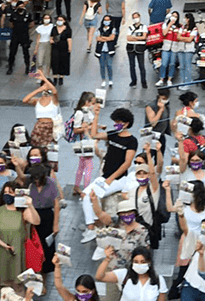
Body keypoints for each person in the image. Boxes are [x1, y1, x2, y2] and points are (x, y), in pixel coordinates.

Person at [80, 106, 138, 242]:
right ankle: (95, 224)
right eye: (115, 122)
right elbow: (94, 134)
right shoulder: (112, 134)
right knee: (85, 195)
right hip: (105, 177)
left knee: (89, 196)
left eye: (118, 122)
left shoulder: (131, 141)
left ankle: (91, 228)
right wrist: (96, 115)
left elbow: (127, 163)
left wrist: (111, 179)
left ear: (126, 123)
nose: (116, 124)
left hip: (118, 179)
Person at [0, 182, 41, 284]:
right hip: (0, 252)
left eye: (10, 192)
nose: (7, 195)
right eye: (5, 192)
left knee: (18, 285)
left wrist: (30, 205)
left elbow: (37, 221)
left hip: (18, 254)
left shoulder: (23, 212)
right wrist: (3, 245)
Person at [28, 164, 60, 274]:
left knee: (47, 247)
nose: (36, 182)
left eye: (38, 179)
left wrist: (56, 224)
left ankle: (45, 273)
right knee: (33, 246)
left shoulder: (50, 183)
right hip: (33, 214)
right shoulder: (29, 184)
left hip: (47, 216)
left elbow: (56, 204)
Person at [23, 73, 59, 148]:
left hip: (50, 127)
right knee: (36, 148)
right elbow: (25, 100)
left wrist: (44, 78)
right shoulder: (37, 101)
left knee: (49, 150)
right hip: (39, 127)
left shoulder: (54, 100)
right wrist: (39, 89)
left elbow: (54, 91)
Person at [7, 1, 33, 75]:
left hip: (24, 36)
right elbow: (11, 23)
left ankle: (27, 67)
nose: (21, 7)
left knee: (26, 53)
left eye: (22, 6)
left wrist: (25, 29)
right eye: (20, 6)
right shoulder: (13, 14)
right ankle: (10, 67)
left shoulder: (27, 14)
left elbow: (31, 23)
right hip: (15, 36)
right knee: (12, 52)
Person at [156, 12, 180, 87]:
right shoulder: (165, 25)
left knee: (172, 64)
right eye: (173, 16)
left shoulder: (179, 27)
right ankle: (161, 79)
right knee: (164, 64)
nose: (174, 18)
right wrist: (169, 25)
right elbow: (164, 33)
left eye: (176, 17)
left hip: (174, 48)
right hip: (166, 48)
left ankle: (170, 79)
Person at [126, 12, 148, 88]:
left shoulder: (144, 27)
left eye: (136, 17)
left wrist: (134, 37)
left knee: (141, 65)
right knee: (132, 65)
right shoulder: (130, 27)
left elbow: (144, 37)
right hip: (131, 49)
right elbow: (128, 38)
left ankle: (143, 81)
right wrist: (138, 38)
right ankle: (133, 81)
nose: (135, 19)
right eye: (134, 17)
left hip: (140, 49)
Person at [177, 13, 198, 90]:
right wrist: (184, 38)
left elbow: (190, 39)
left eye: (185, 18)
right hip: (181, 49)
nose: (184, 20)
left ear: (188, 19)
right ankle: (183, 81)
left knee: (187, 66)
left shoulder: (194, 29)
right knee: (182, 66)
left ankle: (187, 82)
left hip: (189, 50)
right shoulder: (182, 27)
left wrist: (183, 38)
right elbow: (178, 37)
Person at [95, 15, 117, 87]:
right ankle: (103, 80)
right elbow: (98, 39)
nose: (106, 21)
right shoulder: (99, 29)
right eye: (105, 20)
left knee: (109, 65)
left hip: (109, 50)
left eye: (108, 20)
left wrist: (103, 37)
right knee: (102, 66)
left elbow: (112, 38)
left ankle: (110, 80)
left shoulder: (113, 29)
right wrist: (107, 38)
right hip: (101, 50)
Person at [50, 15, 72, 85]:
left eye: (61, 20)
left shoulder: (68, 29)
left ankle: (61, 77)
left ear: (64, 21)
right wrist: (51, 41)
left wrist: (70, 47)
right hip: (55, 47)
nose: (59, 21)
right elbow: (51, 37)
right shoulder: (54, 28)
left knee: (63, 61)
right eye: (58, 20)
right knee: (55, 61)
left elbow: (69, 39)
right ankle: (55, 77)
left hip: (64, 47)